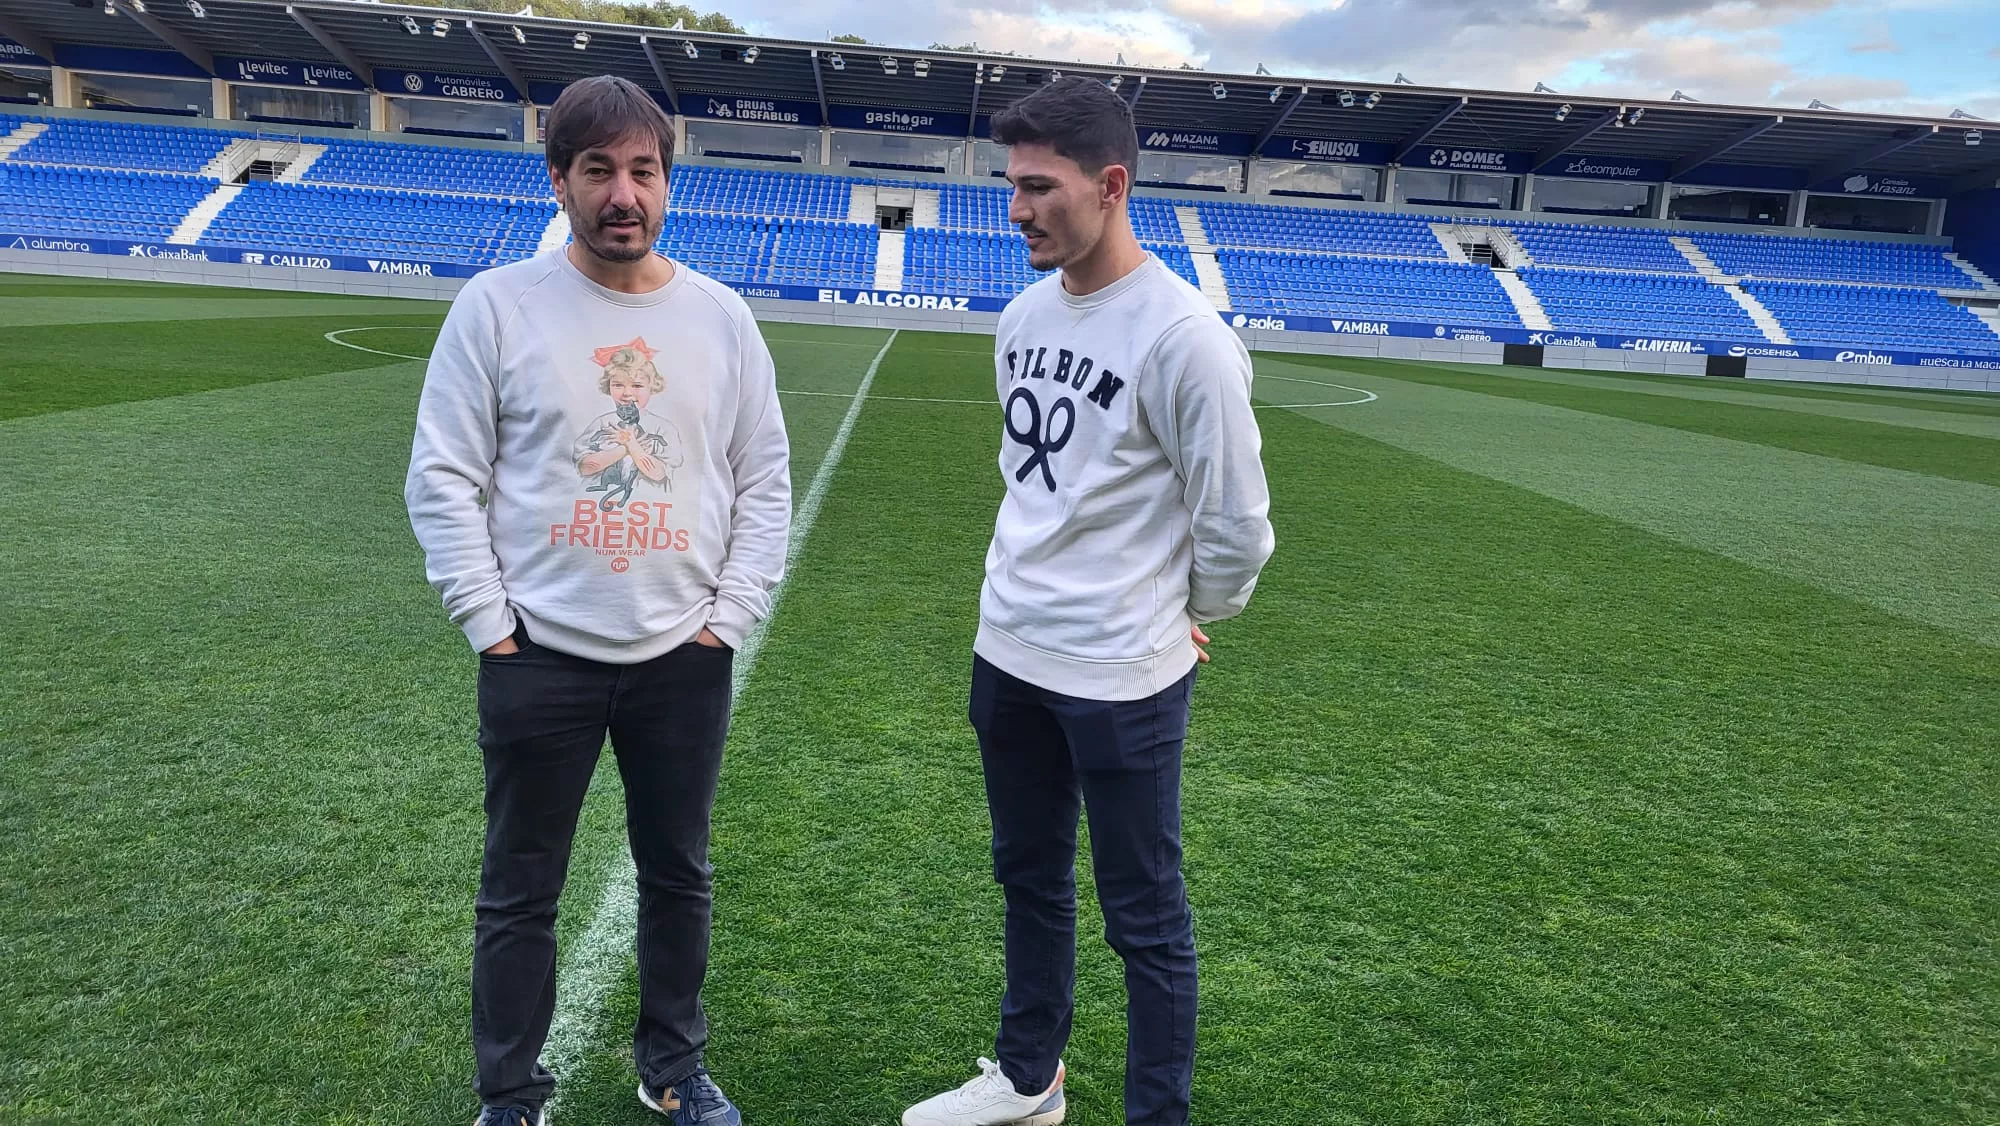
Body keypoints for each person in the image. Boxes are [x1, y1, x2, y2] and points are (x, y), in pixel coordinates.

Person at [405, 74, 789, 1126]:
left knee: (679, 876)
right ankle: (510, 1095)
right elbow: (442, 474)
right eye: (598, 171)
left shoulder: (720, 316)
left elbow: (764, 477)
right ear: (560, 181)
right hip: (540, 654)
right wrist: (490, 624)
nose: (624, 193)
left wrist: (728, 622)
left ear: (667, 182)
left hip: (681, 654)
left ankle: (673, 1066)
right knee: (519, 892)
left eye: (643, 171)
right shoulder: (499, 305)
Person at [902, 76, 1275, 1126]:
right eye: (1007, 185)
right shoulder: (1020, 317)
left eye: (1036, 187)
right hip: (1007, 649)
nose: (1015, 208)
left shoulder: (1184, 337)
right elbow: (1038, 482)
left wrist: (1183, 607)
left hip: (1121, 674)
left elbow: (1236, 524)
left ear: (1109, 185)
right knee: (1026, 874)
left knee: (1143, 917)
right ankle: (1029, 1078)